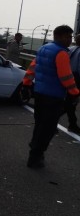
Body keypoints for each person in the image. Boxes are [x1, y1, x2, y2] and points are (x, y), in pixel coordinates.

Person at [22, 25, 79, 168]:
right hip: (53, 97)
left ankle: (35, 146)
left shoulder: (43, 49)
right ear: (59, 36)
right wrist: (75, 93)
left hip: (39, 93)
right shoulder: (61, 53)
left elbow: (32, 67)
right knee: (47, 128)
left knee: (40, 124)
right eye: (68, 37)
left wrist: (26, 83)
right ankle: (35, 156)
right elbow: (66, 77)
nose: (70, 40)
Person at [64, 33, 80, 134]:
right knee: (71, 102)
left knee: (70, 102)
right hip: (76, 79)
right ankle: (72, 125)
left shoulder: (70, 49)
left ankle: (73, 124)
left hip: (67, 76)